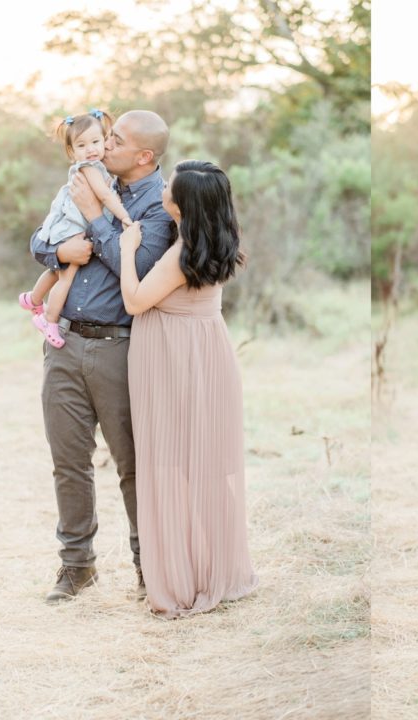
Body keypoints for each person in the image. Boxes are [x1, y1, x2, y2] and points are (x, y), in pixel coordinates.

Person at [30, 110, 174, 603]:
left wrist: (95, 216)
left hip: (121, 348)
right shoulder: (87, 179)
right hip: (64, 342)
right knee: (68, 461)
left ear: (144, 156)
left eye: (115, 139)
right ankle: (76, 568)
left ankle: (147, 569)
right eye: (103, 137)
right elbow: (41, 238)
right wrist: (58, 255)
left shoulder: (161, 206)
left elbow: (139, 268)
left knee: (133, 465)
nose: (104, 144)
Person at [119, 159, 258, 618]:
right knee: (205, 468)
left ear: (181, 204)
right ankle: (212, 568)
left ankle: (181, 579)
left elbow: (136, 300)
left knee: (169, 464)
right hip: (208, 356)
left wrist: (126, 248)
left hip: (172, 361)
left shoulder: (179, 255)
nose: (163, 191)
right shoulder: (219, 243)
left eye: (170, 188)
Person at [20, 110, 134, 348]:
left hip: (69, 224)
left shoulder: (99, 168)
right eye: (82, 145)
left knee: (56, 271)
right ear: (72, 153)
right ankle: (49, 319)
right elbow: (103, 195)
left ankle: (34, 298)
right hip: (71, 226)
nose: (90, 149)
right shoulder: (90, 168)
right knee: (67, 275)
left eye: (95, 141)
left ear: (105, 140)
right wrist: (124, 216)